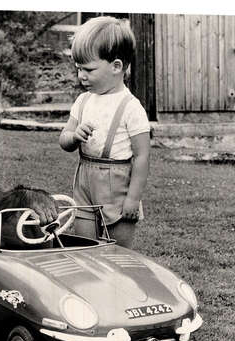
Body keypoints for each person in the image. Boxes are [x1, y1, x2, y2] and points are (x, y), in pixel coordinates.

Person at [59, 16, 150, 249]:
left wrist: (133, 199)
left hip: (117, 186)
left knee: (118, 254)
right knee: (85, 247)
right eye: (78, 68)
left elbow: (141, 157)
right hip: (85, 182)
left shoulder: (131, 107)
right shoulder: (83, 101)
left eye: (88, 69)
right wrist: (74, 136)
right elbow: (64, 140)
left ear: (116, 66)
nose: (81, 76)